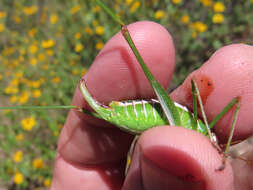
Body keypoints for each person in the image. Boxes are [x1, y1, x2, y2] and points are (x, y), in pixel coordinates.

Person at [50, 21, 253, 190]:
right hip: (169, 116)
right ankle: (126, 36)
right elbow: (222, 99)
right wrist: (216, 142)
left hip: (166, 120)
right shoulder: (206, 131)